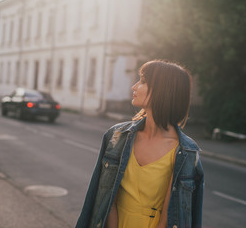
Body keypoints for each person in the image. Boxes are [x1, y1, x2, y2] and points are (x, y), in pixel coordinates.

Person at [76, 60, 204, 228]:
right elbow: (103, 198)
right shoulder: (116, 136)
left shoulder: (186, 152)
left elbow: (174, 216)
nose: (134, 86)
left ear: (162, 91)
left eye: (143, 81)